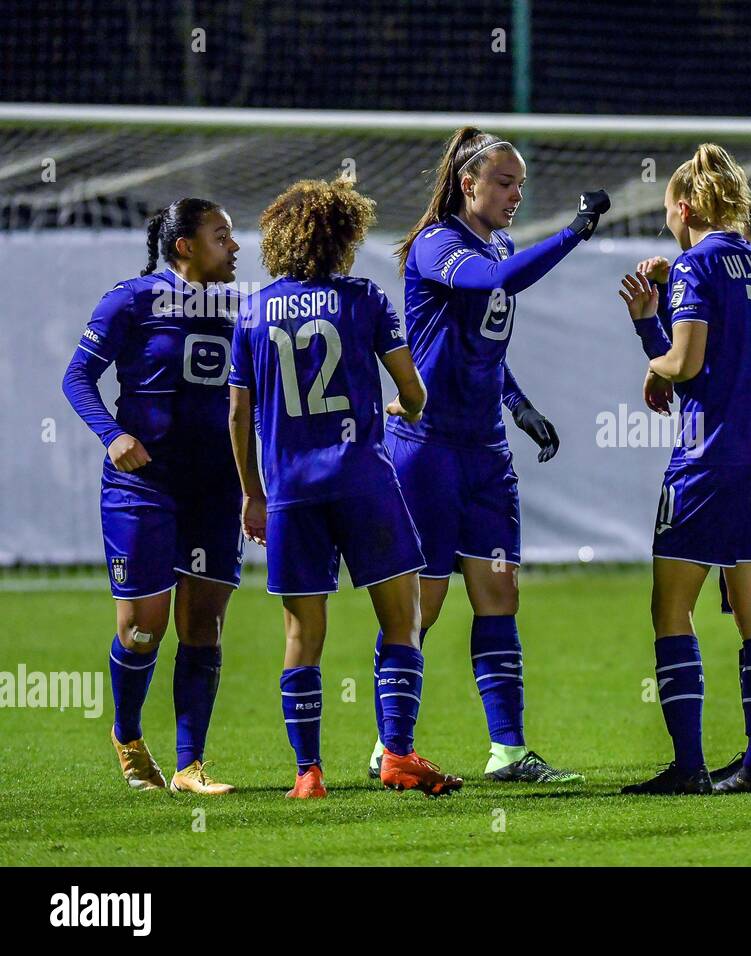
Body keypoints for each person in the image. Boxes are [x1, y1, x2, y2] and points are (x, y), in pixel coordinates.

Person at [378, 126, 609, 784]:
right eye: (505, 183)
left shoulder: (498, 241)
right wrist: (574, 231)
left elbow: (484, 350)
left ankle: (507, 750)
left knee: (499, 595)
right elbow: (501, 279)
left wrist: (519, 404)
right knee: (421, 605)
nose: (514, 195)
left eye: (521, 186)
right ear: (466, 183)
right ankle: (391, 743)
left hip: (485, 455)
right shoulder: (437, 247)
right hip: (425, 451)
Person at [229, 177, 461, 799]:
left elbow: (237, 415)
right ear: (344, 236)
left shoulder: (251, 310)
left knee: (302, 636)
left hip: (290, 494)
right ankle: (399, 755)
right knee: (401, 620)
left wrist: (253, 493)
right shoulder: (364, 299)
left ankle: (308, 774)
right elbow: (413, 393)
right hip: (362, 482)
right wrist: (401, 408)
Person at [618, 144, 751, 795]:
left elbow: (687, 363)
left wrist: (648, 344)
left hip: (710, 459)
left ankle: (689, 766)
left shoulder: (696, 265)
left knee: (671, 608)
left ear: (685, 206)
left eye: (667, 207)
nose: (667, 216)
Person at [63, 198, 244, 795]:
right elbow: (77, 377)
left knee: (204, 626)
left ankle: (191, 765)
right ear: (184, 247)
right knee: (143, 626)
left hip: (216, 487)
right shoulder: (132, 300)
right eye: (222, 237)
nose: (236, 248)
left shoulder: (241, 307)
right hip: (143, 486)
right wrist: (112, 435)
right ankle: (128, 734)